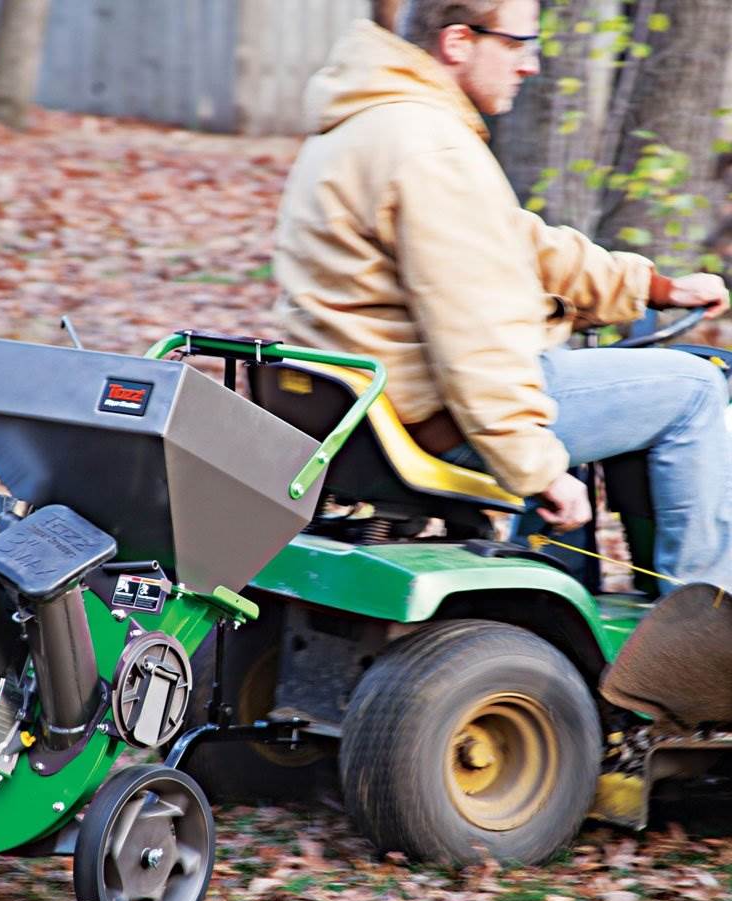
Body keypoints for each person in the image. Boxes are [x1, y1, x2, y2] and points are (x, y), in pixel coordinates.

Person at [274, 0, 731, 594]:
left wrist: (650, 286)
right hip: (438, 418)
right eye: (518, 44)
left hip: (365, 409)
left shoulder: (372, 123)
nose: (531, 65)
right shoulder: (433, 148)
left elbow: (519, 241)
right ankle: (699, 641)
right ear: (459, 41)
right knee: (695, 388)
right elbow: (476, 338)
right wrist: (538, 468)